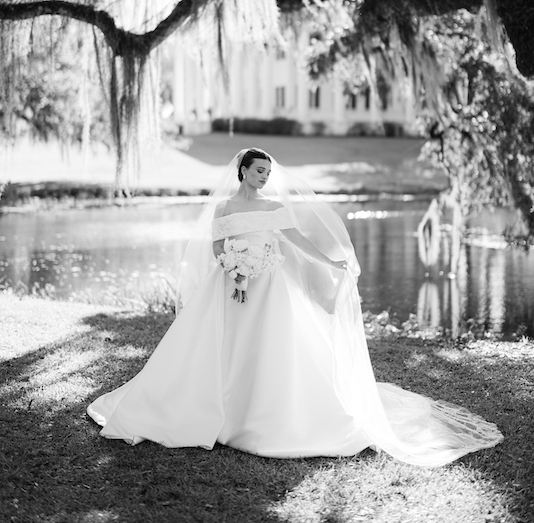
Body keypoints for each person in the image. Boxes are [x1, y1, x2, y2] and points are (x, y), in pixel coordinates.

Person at [87, 147, 503, 465]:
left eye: (268, 172)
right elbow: (216, 246)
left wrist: (332, 262)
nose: (265, 178)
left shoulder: (275, 208)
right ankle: (208, 405)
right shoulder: (225, 207)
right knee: (220, 344)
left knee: (272, 347)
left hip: (271, 287)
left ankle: (261, 410)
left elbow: (299, 244)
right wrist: (233, 268)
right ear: (243, 172)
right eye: (259, 171)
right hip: (230, 286)